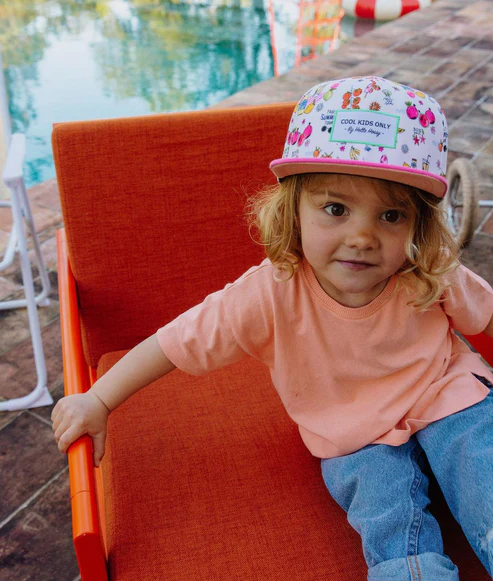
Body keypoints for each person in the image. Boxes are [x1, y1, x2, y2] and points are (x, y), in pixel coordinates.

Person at [52, 76, 493, 580]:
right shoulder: (268, 292)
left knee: (482, 464)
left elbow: (488, 314)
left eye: (391, 215)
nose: (362, 236)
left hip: (447, 393)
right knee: (388, 520)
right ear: (294, 211)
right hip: (351, 434)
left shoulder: (428, 270)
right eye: (336, 209)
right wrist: (99, 399)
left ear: (418, 226)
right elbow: (175, 342)